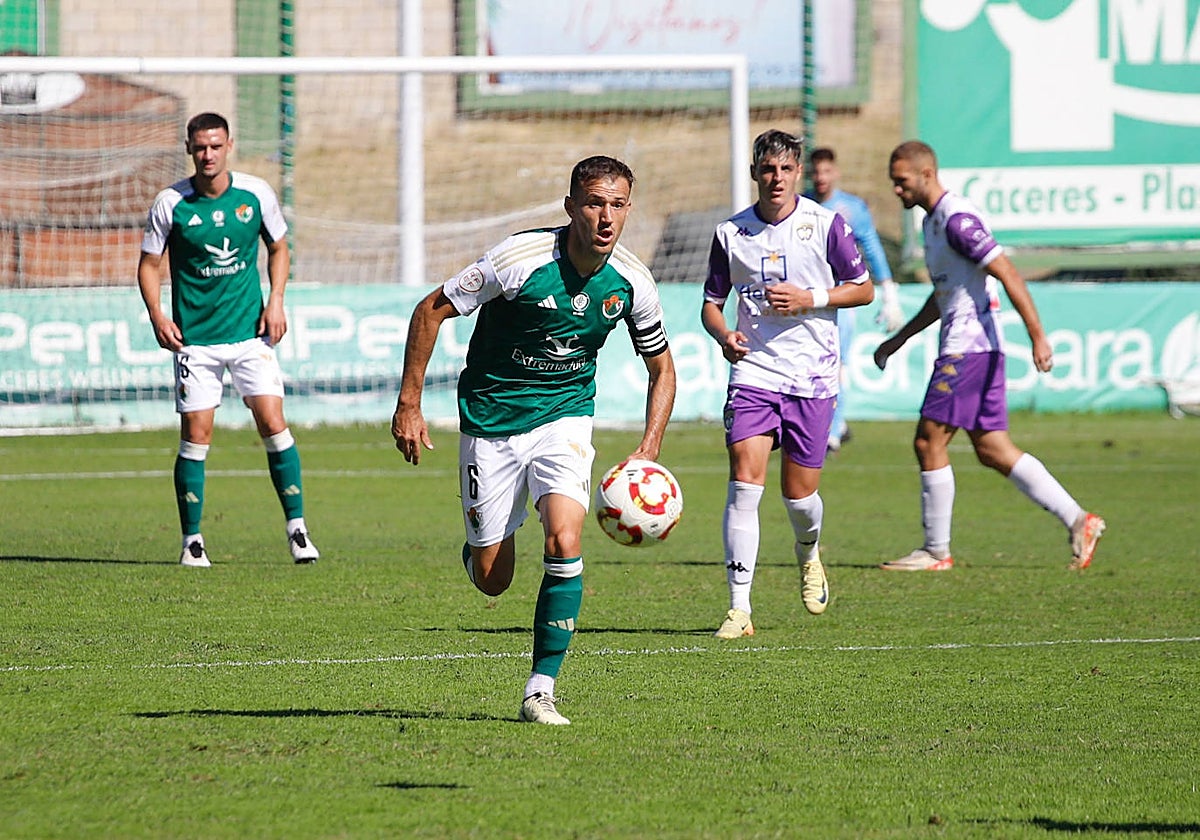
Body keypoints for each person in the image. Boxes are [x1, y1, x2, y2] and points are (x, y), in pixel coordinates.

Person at [391, 155, 676, 725]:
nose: (606, 217)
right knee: (495, 581)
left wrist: (648, 447)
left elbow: (662, 368)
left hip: (565, 418)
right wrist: (409, 404)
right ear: (570, 206)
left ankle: (540, 688)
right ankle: (482, 541)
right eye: (594, 203)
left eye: (617, 205)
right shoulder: (518, 259)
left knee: (564, 542)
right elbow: (430, 311)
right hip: (491, 420)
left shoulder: (633, 282)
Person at [873, 140, 1106, 571]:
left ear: (926, 174)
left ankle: (935, 551)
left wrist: (1038, 336)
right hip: (976, 348)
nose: (896, 190)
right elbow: (944, 295)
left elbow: (1008, 271)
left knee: (929, 441)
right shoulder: (931, 223)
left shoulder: (958, 220)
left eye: (901, 181)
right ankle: (1079, 519)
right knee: (993, 449)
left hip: (969, 349)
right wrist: (900, 338)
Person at [701, 130, 874, 640]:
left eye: (784, 169)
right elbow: (711, 303)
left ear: (797, 172)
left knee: (799, 499)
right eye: (766, 169)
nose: (775, 178)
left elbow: (861, 289)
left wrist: (810, 298)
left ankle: (809, 552)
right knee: (743, 485)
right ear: (754, 172)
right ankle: (738, 609)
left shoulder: (826, 226)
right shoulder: (731, 234)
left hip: (812, 377)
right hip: (754, 373)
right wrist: (723, 335)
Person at [137, 111, 318, 568]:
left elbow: (279, 247)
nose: (208, 155)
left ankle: (297, 529)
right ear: (188, 149)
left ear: (229, 145)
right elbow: (148, 264)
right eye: (200, 147)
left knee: (273, 422)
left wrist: (276, 301)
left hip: (249, 335)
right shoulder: (170, 203)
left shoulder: (255, 195)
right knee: (196, 435)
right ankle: (192, 541)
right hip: (194, 341)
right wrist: (157, 314)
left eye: (216, 146)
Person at [807, 147, 905, 452]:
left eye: (826, 171)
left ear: (835, 172)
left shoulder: (852, 208)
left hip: (841, 298)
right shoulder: (799, 206)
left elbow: (872, 248)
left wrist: (889, 292)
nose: (821, 178)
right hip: (807, 300)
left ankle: (833, 432)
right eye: (816, 172)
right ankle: (834, 423)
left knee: (836, 363)